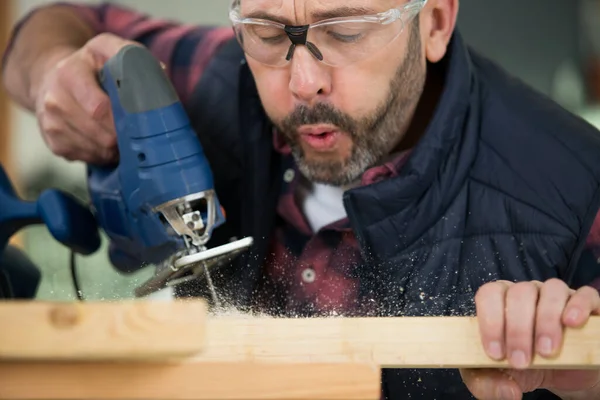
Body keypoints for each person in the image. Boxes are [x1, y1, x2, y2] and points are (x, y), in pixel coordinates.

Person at [2, 0, 600, 398]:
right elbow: (54, 21)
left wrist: (572, 349)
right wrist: (56, 70)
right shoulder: (219, 77)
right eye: (266, 33)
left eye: (344, 32)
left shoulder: (575, 183)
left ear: (436, 21)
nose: (302, 81)